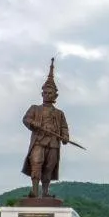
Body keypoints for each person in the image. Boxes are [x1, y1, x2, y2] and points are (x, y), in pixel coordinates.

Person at [22, 59, 70, 198]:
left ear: (55, 95)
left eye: (50, 93)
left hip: (53, 142)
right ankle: (34, 191)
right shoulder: (35, 108)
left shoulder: (59, 113)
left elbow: (64, 127)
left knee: (49, 166)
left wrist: (65, 137)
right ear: (42, 93)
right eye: (45, 92)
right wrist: (33, 123)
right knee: (37, 163)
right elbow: (26, 119)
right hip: (39, 141)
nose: (47, 95)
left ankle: (45, 192)